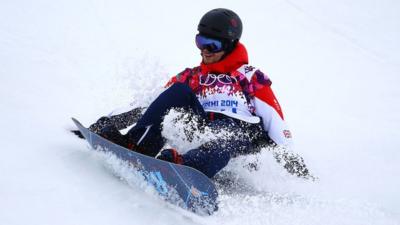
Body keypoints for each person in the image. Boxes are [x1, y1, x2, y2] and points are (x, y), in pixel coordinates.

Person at [91, 8, 301, 179]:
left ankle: (185, 168)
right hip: (204, 124)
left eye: (212, 45)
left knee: (226, 136)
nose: (204, 50)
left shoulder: (248, 76)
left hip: (242, 133)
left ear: (229, 46)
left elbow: (274, 117)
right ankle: (137, 145)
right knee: (178, 91)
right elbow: (152, 103)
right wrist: (108, 122)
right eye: (200, 42)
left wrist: (294, 164)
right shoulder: (193, 76)